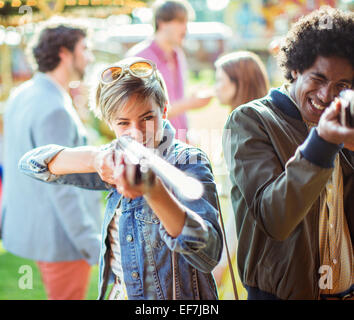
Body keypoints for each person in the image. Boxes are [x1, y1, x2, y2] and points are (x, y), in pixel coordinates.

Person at [18, 56, 223, 300]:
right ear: (109, 123)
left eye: (147, 118)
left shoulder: (189, 160)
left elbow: (208, 253)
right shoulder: (114, 159)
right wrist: (96, 160)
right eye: (123, 123)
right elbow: (32, 164)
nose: (136, 133)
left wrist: (154, 191)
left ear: (165, 110)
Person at [223, 6, 354, 300]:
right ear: (295, 68)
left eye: (342, 85)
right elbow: (275, 219)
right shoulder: (250, 120)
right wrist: (321, 144)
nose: (327, 95)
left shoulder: (346, 123)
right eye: (318, 79)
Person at [1, 24, 102, 300]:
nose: (90, 57)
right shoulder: (54, 108)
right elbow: (63, 188)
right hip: (61, 238)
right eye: (85, 48)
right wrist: (92, 245)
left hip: (32, 230)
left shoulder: (22, 94)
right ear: (64, 53)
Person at [212, 51, 270, 300]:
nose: (214, 87)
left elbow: (241, 207)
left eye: (220, 80)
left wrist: (223, 260)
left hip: (240, 249)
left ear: (239, 84)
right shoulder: (257, 124)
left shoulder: (241, 130)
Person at [126, 0, 213, 143]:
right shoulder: (139, 58)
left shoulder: (178, 55)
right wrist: (190, 103)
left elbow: (175, 101)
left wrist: (185, 136)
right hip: (152, 147)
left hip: (178, 145)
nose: (185, 28)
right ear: (161, 23)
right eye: (180, 21)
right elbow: (141, 113)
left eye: (186, 22)